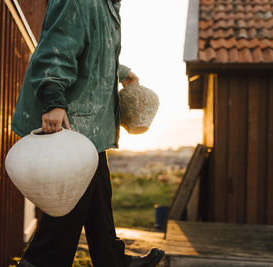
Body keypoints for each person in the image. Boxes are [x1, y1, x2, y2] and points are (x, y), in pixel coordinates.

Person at [11, 0, 165, 266]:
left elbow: (95, 51)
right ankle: (41, 263)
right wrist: (54, 101)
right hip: (73, 120)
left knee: (98, 198)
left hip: (91, 124)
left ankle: (111, 259)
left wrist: (122, 71)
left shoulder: (107, 7)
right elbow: (56, 50)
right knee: (69, 208)